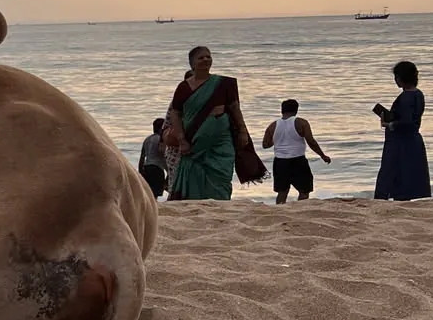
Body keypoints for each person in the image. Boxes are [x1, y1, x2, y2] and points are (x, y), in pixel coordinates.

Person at [164, 45, 267, 199]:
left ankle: (222, 201)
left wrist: (243, 131)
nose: (206, 59)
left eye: (208, 56)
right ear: (192, 64)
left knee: (222, 176)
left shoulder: (224, 84)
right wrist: (182, 140)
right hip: (194, 141)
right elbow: (176, 114)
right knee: (194, 173)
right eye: (201, 57)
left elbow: (235, 109)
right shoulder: (183, 87)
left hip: (221, 142)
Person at [373, 60, 430, 200]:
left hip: (400, 142)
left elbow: (406, 122)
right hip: (413, 140)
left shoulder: (405, 97)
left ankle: (389, 197)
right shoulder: (419, 94)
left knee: (392, 172)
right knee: (410, 174)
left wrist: (389, 124)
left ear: (399, 78)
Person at [261, 98, 332, 203]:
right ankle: (300, 208)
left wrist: (278, 139)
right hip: (298, 160)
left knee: (282, 191)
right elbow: (311, 141)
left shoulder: (273, 125)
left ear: (282, 110)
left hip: (280, 162)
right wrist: (322, 155)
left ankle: (280, 209)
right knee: (304, 191)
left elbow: (265, 145)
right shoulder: (301, 123)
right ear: (296, 110)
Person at [137, 117, 169, 197]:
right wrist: (168, 171)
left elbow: (142, 158)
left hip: (147, 167)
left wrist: (141, 171)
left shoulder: (147, 139)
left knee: (147, 194)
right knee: (155, 194)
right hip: (157, 169)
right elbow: (163, 156)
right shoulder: (161, 140)